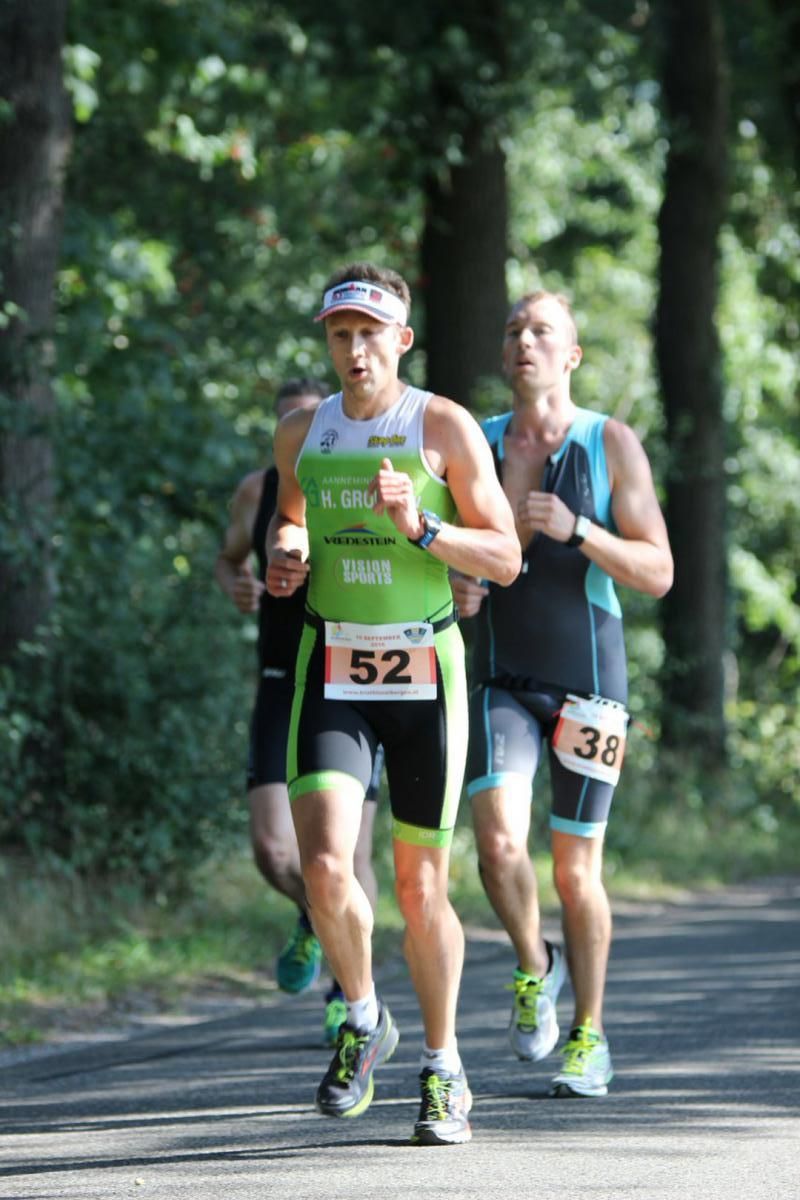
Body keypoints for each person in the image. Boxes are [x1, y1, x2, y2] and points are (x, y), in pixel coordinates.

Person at [265, 263, 520, 1145]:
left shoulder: (440, 425)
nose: (355, 350)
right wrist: (288, 552)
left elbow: (505, 556)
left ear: (401, 341)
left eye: (370, 335)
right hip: (331, 662)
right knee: (325, 867)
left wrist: (424, 527)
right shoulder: (302, 432)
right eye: (340, 335)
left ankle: (445, 1066)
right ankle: (366, 1018)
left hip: (425, 671)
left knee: (418, 887)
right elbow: (290, 516)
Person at [451, 291, 673, 1098]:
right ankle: (533, 965)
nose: (525, 341)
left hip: (590, 689)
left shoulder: (608, 442)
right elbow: (448, 554)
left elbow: (659, 571)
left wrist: (580, 530)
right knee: (498, 845)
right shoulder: (475, 441)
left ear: (571, 355)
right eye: (514, 329)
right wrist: (457, 585)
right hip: (502, 680)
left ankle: (590, 1034)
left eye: (542, 330)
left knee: (578, 875)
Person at [214, 377, 383, 1047]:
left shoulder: (359, 482)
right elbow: (228, 560)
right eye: (288, 426)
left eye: (310, 423)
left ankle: (349, 993)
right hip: (283, 678)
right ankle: (318, 915)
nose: (301, 437)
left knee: (350, 853)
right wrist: (239, 586)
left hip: (350, 679)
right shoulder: (258, 492)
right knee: (272, 849)